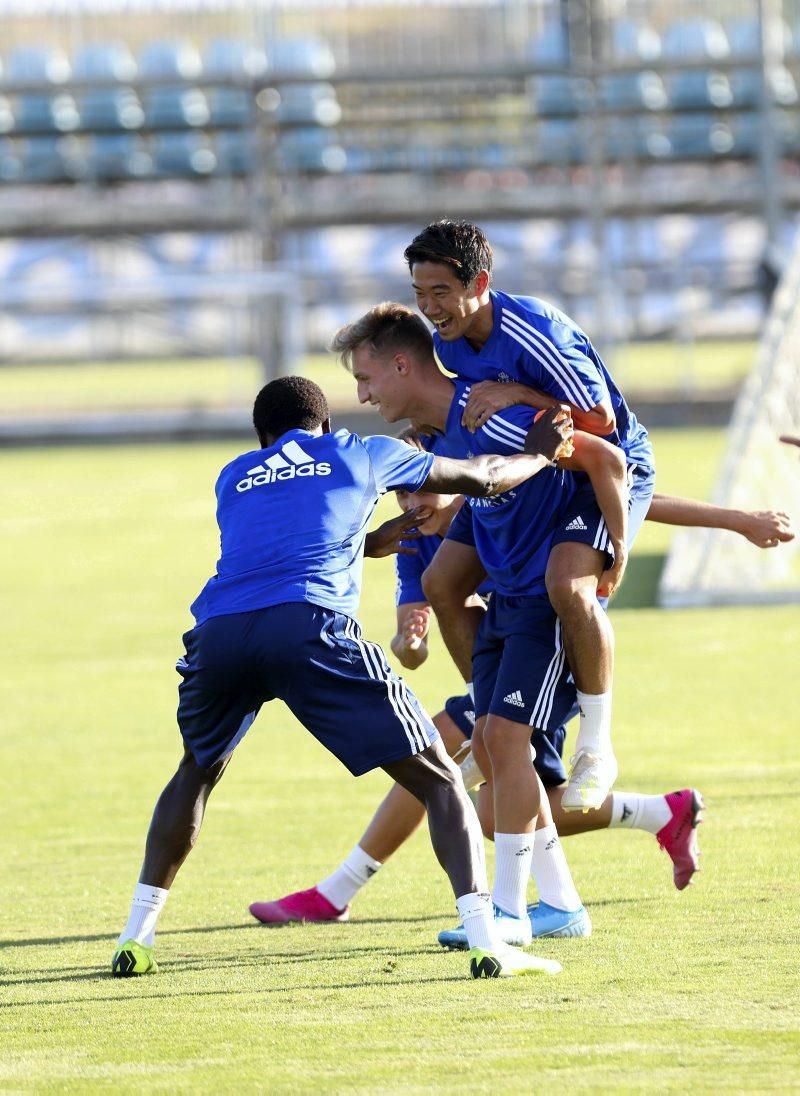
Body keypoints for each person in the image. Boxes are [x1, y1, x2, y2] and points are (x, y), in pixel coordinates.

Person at [111, 375, 575, 981]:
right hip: (308, 625)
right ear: (325, 425)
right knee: (437, 778)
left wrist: (363, 541)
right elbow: (481, 477)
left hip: (220, 631)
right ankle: (490, 943)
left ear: (261, 435)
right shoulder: (359, 450)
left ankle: (136, 937)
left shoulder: (234, 476)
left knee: (195, 772)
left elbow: (276, 549)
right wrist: (538, 452)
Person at [251, 437, 794, 934]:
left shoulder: (491, 497)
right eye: (400, 492)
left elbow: (636, 497)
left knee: (433, 749)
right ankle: (648, 822)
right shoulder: (417, 543)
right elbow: (411, 637)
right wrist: (408, 645)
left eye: (424, 486)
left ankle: (341, 892)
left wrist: (739, 520)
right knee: (495, 808)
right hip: (505, 660)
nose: (413, 501)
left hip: (551, 645)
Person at [315, 302, 627, 946]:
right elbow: (460, 523)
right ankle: (561, 905)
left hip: (550, 609)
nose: (362, 395)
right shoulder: (439, 438)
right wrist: (381, 542)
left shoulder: (487, 415)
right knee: (490, 743)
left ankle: (510, 912)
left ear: (403, 365)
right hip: (510, 606)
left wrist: (611, 556)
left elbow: (611, 460)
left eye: (367, 379)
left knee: (504, 748)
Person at [404, 219, 657, 811]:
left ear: (481, 282)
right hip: (541, 466)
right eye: (420, 293)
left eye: (441, 291)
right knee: (441, 581)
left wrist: (522, 395)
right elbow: (487, 417)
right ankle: (482, 717)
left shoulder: (534, 331)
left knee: (569, 586)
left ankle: (595, 746)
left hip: (605, 466)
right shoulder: (447, 341)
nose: (430, 307)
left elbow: (603, 430)